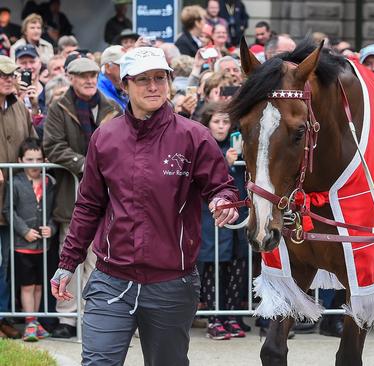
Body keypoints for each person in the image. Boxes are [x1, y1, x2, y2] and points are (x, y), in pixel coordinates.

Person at [49, 46, 239, 364]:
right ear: (125, 84)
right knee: (98, 362)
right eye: (143, 79)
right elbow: (88, 206)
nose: (153, 86)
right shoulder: (104, 138)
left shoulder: (194, 136)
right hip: (111, 279)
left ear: (168, 81)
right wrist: (68, 263)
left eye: (159, 78)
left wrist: (224, 201)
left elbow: (221, 186)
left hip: (172, 283)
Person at [43, 57, 122, 339]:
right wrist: (85, 164)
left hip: (110, 197)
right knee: (71, 257)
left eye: (92, 75)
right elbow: (52, 145)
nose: (89, 80)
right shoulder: (59, 107)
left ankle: (95, 317)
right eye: (83, 75)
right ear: (71, 78)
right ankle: (67, 318)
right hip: (73, 195)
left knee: (99, 260)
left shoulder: (111, 106)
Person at [196, 101, 248, 340]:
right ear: (207, 124)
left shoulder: (238, 144)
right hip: (212, 215)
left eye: (225, 121)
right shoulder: (203, 145)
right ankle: (215, 317)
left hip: (240, 212)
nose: (221, 126)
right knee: (214, 264)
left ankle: (233, 315)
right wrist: (224, 164)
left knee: (238, 262)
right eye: (216, 122)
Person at [2, 137, 56, 342]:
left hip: (42, 246)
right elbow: (9, 210)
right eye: (29, 160)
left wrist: (50, 228)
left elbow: (52, 212)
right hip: (22, 246)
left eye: (38, 159)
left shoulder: (50, 183)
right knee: (26, 286)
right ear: (19, 160)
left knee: (39, 286)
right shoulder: (14, 183)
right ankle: (29, 322)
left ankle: (35, 322)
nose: (34, 165)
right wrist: (24, 231)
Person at [0, 56, 37, 340]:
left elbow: (31, 144)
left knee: (7, 264)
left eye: (11, 74)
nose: (8, 78)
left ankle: (3, 317)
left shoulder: (19, 108)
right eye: (2, 75)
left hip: (16, 200)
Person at [98, 45, 127, 110]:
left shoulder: (120, 86)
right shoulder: (97, 90)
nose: (127, 70)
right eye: (122, 66)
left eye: (128, 65)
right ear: (108, 67)